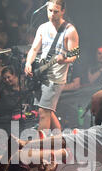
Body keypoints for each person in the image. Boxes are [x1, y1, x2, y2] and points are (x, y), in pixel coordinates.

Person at [24, 0, 79, 131]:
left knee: (43, 113)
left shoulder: (70, 30)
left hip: (55, 78)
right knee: (48, 111)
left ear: (63, 11)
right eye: (50, 11)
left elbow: (74, 54)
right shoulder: (43, 27)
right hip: (41, 73)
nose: (52, 14)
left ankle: (42, 145)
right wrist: (28, 63)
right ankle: (58, 139)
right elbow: (34, 49)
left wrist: (64, 60)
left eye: (56, 11)